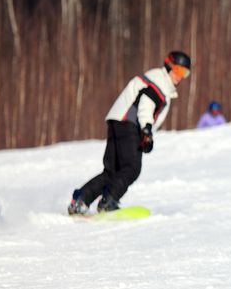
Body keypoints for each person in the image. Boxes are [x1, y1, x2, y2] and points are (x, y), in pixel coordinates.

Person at [67, 51, 191, 214]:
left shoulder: (157, 80)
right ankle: (108, 201)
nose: (180, 76)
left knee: (112, 172)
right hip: (129, 123)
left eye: (185, 73)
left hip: (117, 120)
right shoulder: (159, 82)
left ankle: (81, 200)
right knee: (132, 167)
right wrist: (146, 129)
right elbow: (146, 104)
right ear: (168, 66)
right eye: (178, 70)